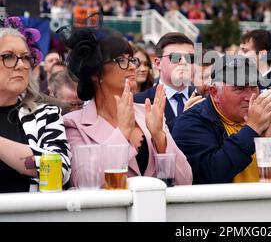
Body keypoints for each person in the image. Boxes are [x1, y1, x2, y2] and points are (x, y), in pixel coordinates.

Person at [62, 29, 192, 187]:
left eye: (132, 60)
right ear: (95, 74)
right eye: (121, 60)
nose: (132, 66)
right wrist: (122, 132)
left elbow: (185, 180)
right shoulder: (74, 124)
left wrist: (159, 138)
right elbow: (85, 181)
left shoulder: (148, 114)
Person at [171, 54, 271, 184]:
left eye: (254, 87)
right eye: (240, 89)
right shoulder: (191, 122)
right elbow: (210, 174)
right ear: (214, 93)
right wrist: (252, 130)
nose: (250, 96)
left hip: (269, 206)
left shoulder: (266, 118)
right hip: (221, 209)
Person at [0, 22, 71, 193]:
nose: (21, 65)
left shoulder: (46, 114)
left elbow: (60, 170)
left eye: (25, 57)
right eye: (8, 56)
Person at [134, 33, 197, 132]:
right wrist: (184, 118)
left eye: (191, 58)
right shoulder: (139, 102)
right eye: (176, 57)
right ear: (158, 63)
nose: (185, 62)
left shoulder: (204, 100)